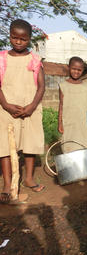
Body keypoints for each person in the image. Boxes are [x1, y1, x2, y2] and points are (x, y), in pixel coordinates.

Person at [0, 19, 45, 203]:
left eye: (23, 39)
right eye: (14, 37)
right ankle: (7, 183)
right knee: (4, 145)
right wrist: (6, 105)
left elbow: (41, 86)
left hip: (30, 108)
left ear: (29, 39)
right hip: (6, 108)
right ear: (9, 36)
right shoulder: (2, 58)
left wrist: (32, 106)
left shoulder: (35, 60)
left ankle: (28, 179)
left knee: (30, 144)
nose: (18, 42)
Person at [58, 57, 87, 153]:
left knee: (83, 145)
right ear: (69, 68)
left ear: (83, 70)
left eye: (79, 70)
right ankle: (70, 166)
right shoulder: (63, 85)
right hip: (68, 122)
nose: (76, 72)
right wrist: (60, 123)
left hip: (82, 123)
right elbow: (61, 105)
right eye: (74, 69)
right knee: (68, 145)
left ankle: (82, 165)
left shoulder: (85, 86)